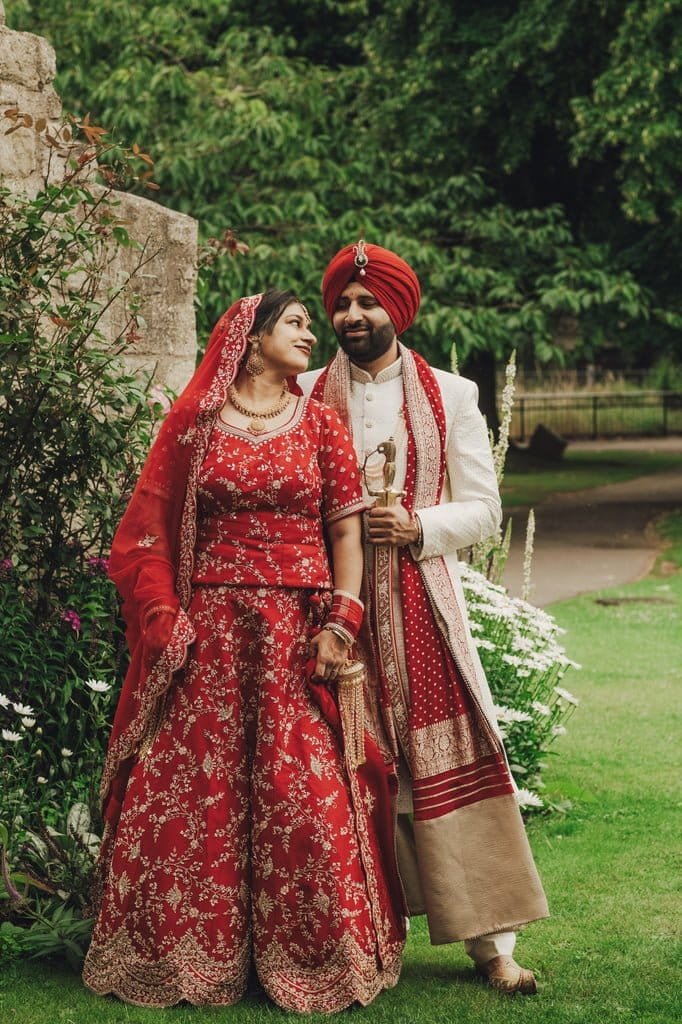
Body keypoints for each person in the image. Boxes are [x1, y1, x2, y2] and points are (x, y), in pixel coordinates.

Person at [82, 290, 406, 1012]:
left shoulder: (320, 424)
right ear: (252, 338)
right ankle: (182, 956)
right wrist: (165, 617)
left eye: (309, 325)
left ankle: (318, 954)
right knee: (196, 789)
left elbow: (345, 533)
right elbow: (147, 530)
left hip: (296, 633)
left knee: (304, 789)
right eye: (294, 323)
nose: (309, 334)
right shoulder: (194, 425)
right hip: (210, 633)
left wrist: (342, 621)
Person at [298, 242, 549, 996]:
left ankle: (493, 947)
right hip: (327, 607)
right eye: (342, 303)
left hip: (421, 605)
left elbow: (485, 510)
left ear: (398, 310)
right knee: (339, 761)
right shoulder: (301, 390)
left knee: (449, 755)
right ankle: (349, 938)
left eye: (367, 302)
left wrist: (417, 525)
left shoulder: (452, 394)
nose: (352, 315)